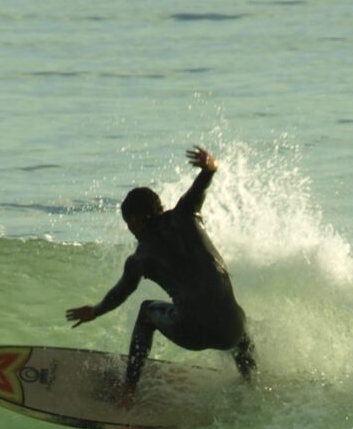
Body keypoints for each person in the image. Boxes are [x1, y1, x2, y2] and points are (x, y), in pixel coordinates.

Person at [67, 145, 256, 395]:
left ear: (134, 221)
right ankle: (252, 382)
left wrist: (95, 311)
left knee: (146, 311)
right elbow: (203, 183)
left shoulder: (140, 258)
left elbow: (120, 293)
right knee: (238, 321)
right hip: (229, 332)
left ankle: (128, 390)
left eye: (128, 225)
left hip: (192, 333)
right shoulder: (186, 214)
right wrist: (209, 166)